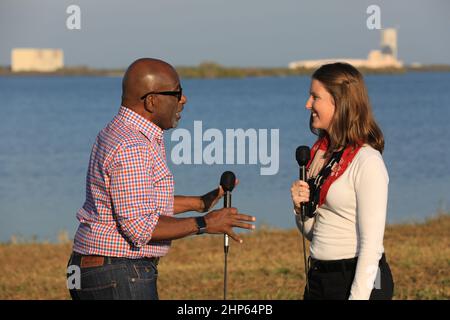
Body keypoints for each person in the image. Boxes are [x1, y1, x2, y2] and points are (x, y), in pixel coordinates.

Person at [67, 58, 256, 300]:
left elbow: (135, 201)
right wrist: (204, 223)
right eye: (177, 93)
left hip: (95, 269)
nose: (183, 100)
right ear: (152, 100)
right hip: (117, 273)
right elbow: (139, 227)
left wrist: (199, 203)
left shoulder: (119, 131)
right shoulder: (133, 145)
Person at [291, 62, 394, 300]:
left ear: (339, 102)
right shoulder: (321, 154)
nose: (308, 104)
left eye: (315, 97)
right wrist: (300, 211)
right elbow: (315, 233)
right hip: (320, 276)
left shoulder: (367, 161)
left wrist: (357, 297)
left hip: (359, 278)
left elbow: (372, 245)